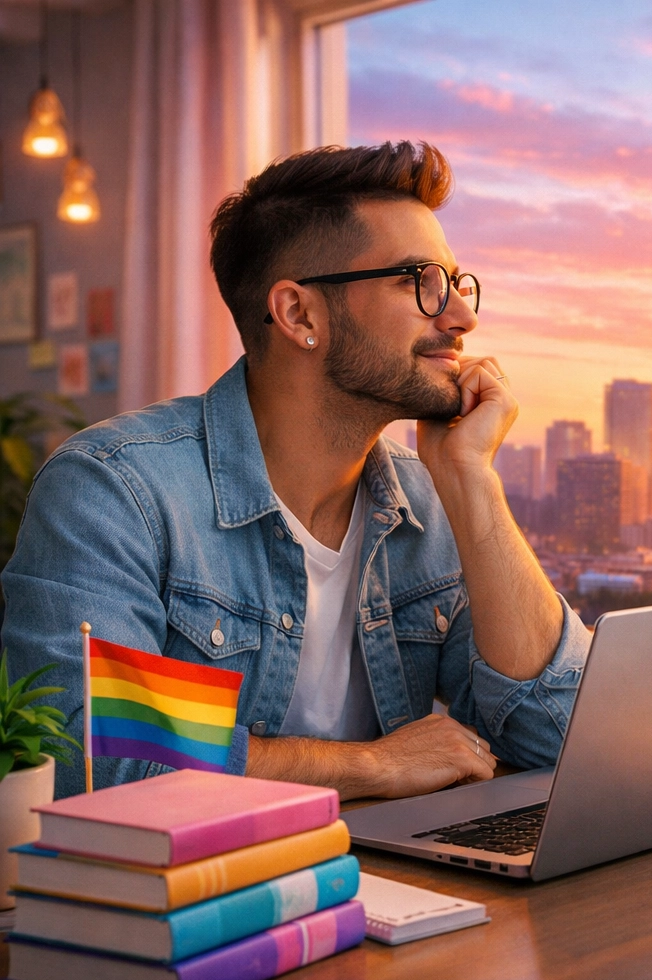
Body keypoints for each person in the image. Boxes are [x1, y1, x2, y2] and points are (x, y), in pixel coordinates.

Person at [1, 142, 590, 800]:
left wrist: (473, 482)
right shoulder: (115, 491)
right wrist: (369, 766)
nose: (462, 317)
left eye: (457, 284)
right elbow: (80, 754)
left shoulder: (430, 497)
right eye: (419, 282)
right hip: (198, 893)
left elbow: (561, 736)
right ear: (298, 314)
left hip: (409, 887)